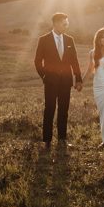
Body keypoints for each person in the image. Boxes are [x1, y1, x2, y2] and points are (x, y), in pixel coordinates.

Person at [34, 12, 82, 149]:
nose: (66, 26)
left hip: (66, 82)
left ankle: (62, 139)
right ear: (55, 23)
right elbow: (37, 61)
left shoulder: (69, 40)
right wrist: (44, 76)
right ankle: (47, 140)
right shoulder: (43, 40)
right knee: (49, 109)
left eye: (67, 23)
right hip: (50, 82)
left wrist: (78, 79)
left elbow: (74, 61)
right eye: (64, 23)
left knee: (63, 110)